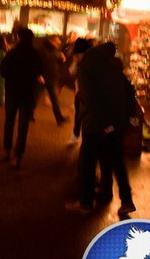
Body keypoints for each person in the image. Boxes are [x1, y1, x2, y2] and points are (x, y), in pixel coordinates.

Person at [66, 42, 138, 215]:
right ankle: (127, 200)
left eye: (75, 56)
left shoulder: (86, 68)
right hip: (116, 122)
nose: (75, 59)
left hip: (97, 124)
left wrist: (104, 124)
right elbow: (129, 90)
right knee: (118, 162)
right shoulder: (111, 65)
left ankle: (86, 202)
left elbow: (90, 98)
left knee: (88, 162)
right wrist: (129, 115)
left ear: (81, 55)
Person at [0, 28, 43, 169]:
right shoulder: (35, 54)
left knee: (9, 121)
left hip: (12, 92)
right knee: (23, 125)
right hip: (28, 93)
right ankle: (18, 156)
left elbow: (3, 71)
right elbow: (40, 71)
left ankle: (6, 150)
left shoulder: (12, 53)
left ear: (19, 38)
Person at [36, 35, 68, 124]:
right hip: (42, 78)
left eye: (59, 43)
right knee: (35, 97)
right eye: (57, 42)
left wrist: (62, 59)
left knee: (54, 99)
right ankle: (29, 114)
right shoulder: (42, 50)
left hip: (51, 78)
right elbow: (37, 63)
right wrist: (38, 75)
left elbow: (56, 62)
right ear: (51, 41)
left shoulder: (55, 50)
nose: (58, 44)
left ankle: (59, 118)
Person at [66, 38, 93, 145]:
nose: (76, 56)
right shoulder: (78, 62)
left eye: (77, 54)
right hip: (80, 94)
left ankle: (84, 138)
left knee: (86, 117)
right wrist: (75, 62)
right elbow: (71, 71)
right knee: (78, 115)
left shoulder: (90, 63)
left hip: (89, 95)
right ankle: (76, 135)